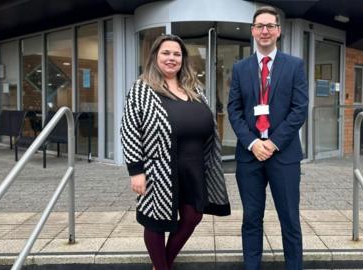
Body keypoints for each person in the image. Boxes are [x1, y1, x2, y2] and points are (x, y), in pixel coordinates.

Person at [121, 34, 231, 270]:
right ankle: (161, 267)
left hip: (194, 167)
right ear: (155, 57)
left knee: (193, 216)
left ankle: (163, 263)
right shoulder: (142, 89)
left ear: (183, 59)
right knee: (156, 222)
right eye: (166, 53)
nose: (171, 58)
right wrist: (136, 170)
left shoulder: (194, 89)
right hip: (158, 167)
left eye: (177, 54)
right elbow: (129, 129)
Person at [227, 6, 308, 270]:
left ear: (278, 31)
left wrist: (272, 143)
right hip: (249, 156)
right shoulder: (240, 68)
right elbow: (234, 110)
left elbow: (299, 110)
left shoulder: (294, 65)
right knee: (251, 218)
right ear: (252, 31)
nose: (265, 31)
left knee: (289, 220)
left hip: (283, 155)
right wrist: (253, 143)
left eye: (270, 26)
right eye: (260, 26)